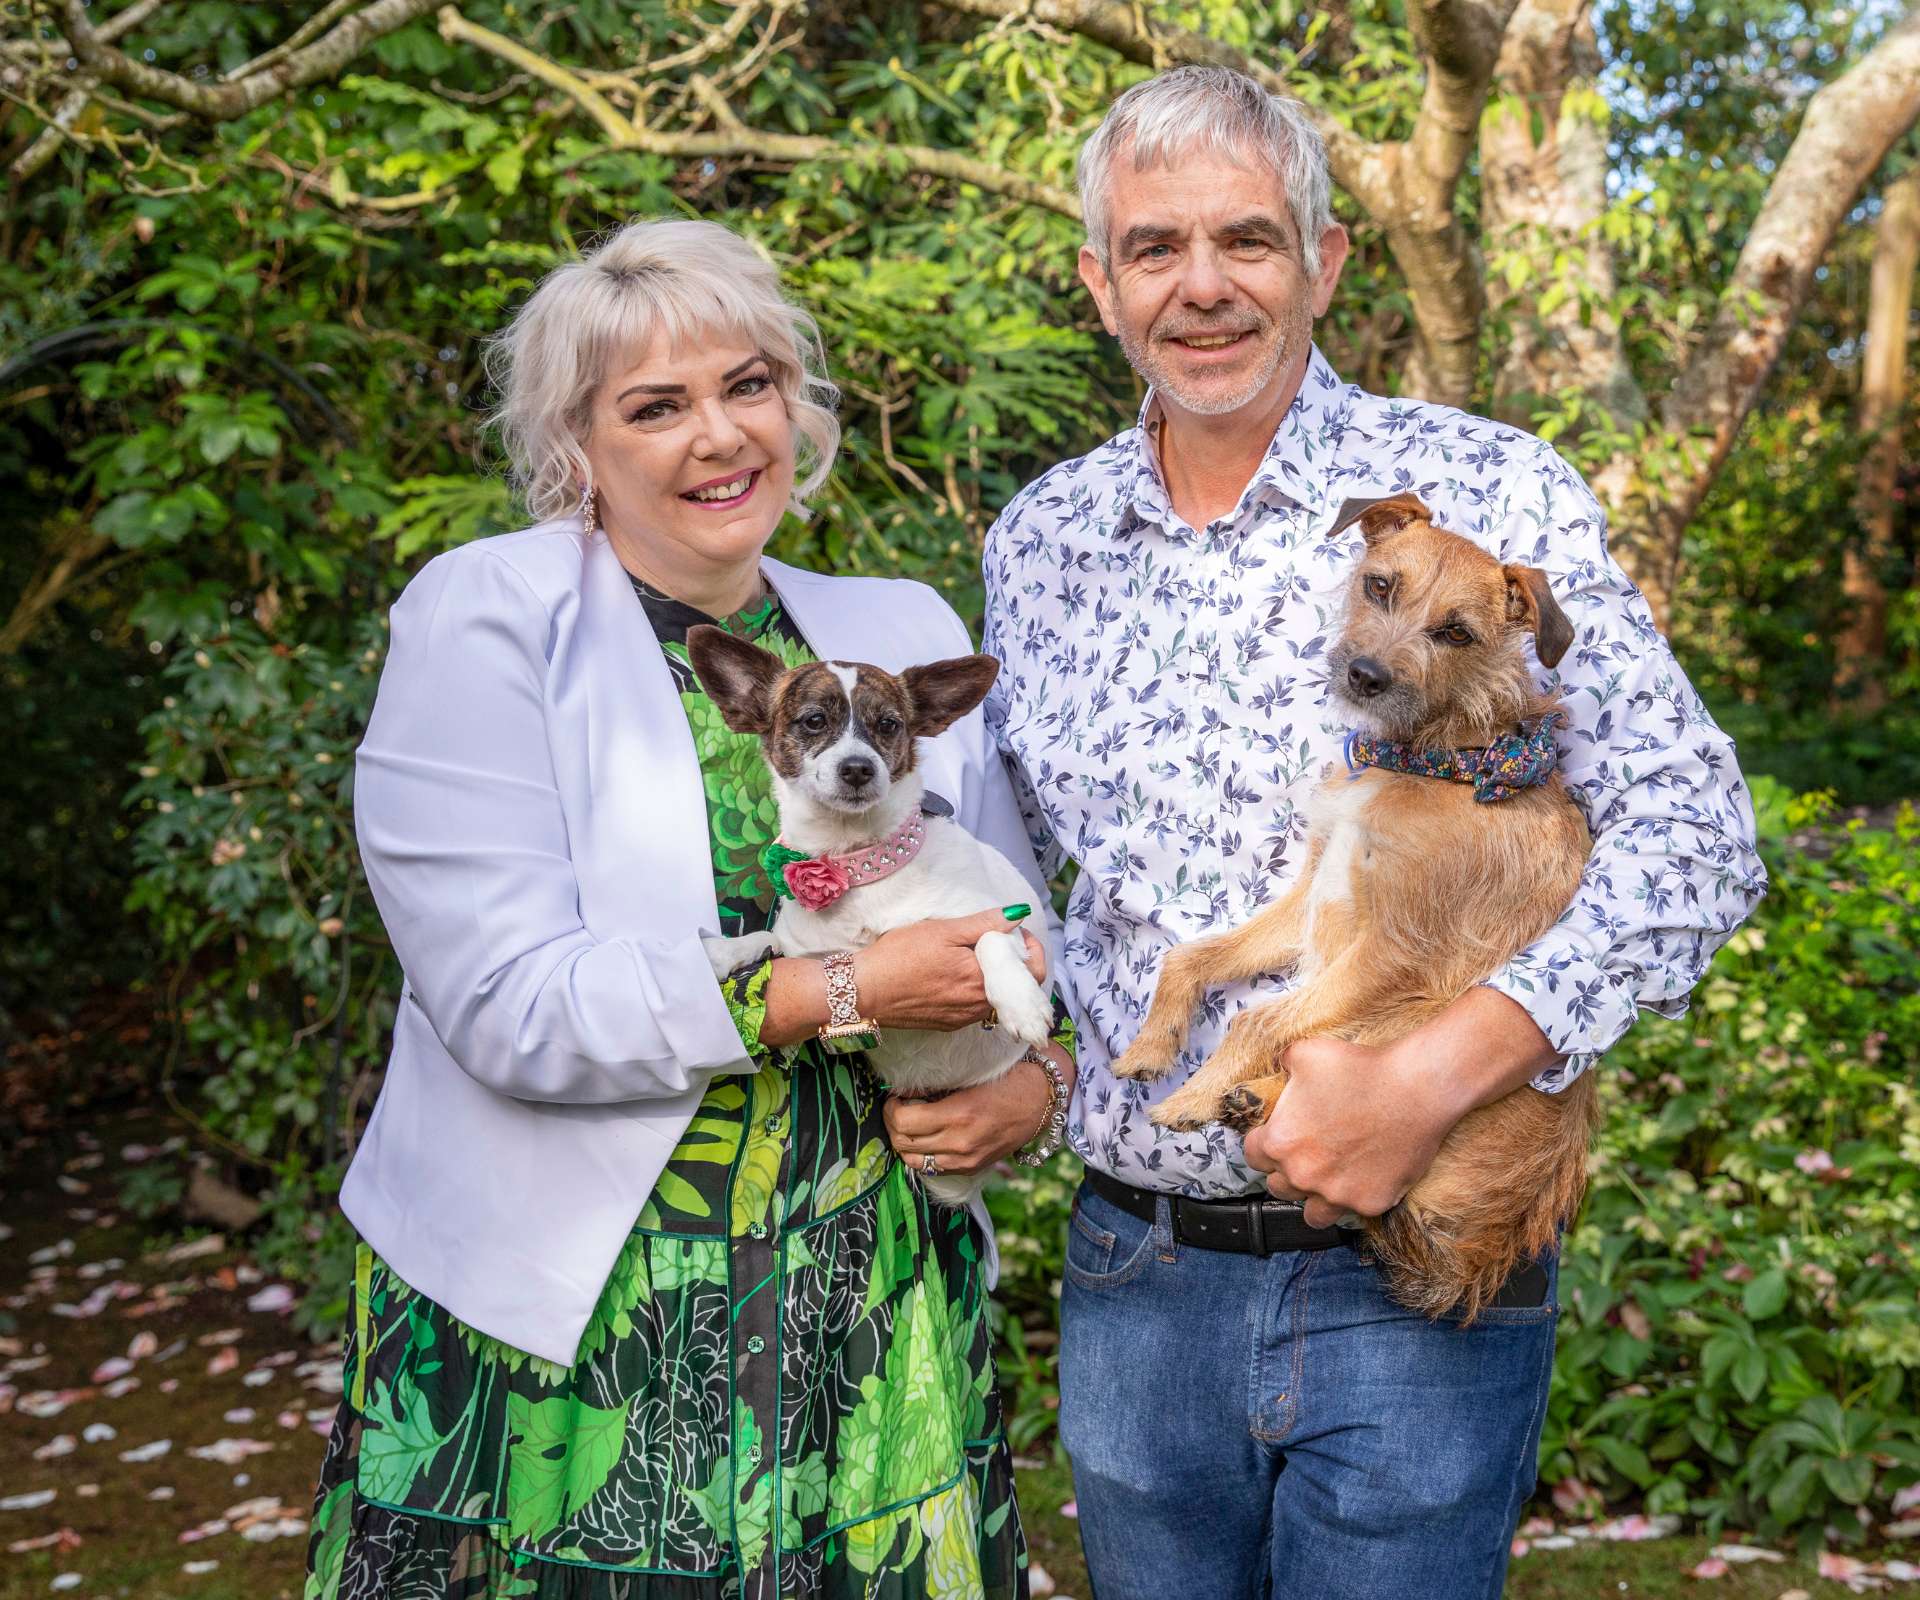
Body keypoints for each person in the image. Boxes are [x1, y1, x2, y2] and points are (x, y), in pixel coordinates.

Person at [980, 66, 1766, 1600]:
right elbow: (1024, 873)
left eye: (1249, 241)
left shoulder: (1488, 494)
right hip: (1138, 1270)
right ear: (1099, 280)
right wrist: (1008, 1052)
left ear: (1325, 262)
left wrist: (1432, 1074)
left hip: (1415, 1275)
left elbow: (1696, 837)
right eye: (1154, 248)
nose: (1201, 286)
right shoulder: (1040, 542)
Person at [304, 217, 1075, 1600]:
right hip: (586, 1322)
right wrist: (847, 992)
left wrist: (1042, 1080)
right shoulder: (486, 617)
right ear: (575, 444)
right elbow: (506, 1003)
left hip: (867, 1301)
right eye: (656, 407)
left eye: (750, 386)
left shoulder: (891, 618)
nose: (719, 436)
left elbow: (1015, 923)